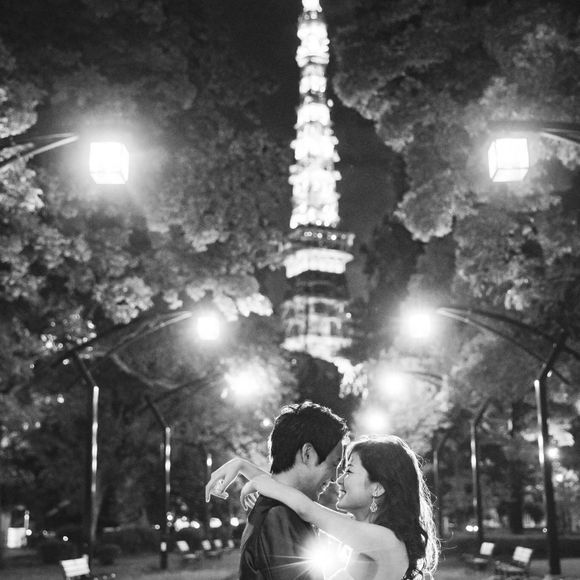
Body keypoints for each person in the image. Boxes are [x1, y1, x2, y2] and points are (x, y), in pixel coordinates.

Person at [208, 434, 439, 580]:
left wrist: (259, 481)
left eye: (349, 471)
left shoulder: (384, 540)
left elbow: (306, 509)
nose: (339, 479)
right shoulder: (369, 537)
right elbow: (297, 499)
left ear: (377, 488)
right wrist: (242, 467)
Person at [206, 401, 348, 580]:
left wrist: (243, 466)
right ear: (307, 454)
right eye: (334, 464)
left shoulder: (283, 510)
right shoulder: (279, 516)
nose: (335, 478)